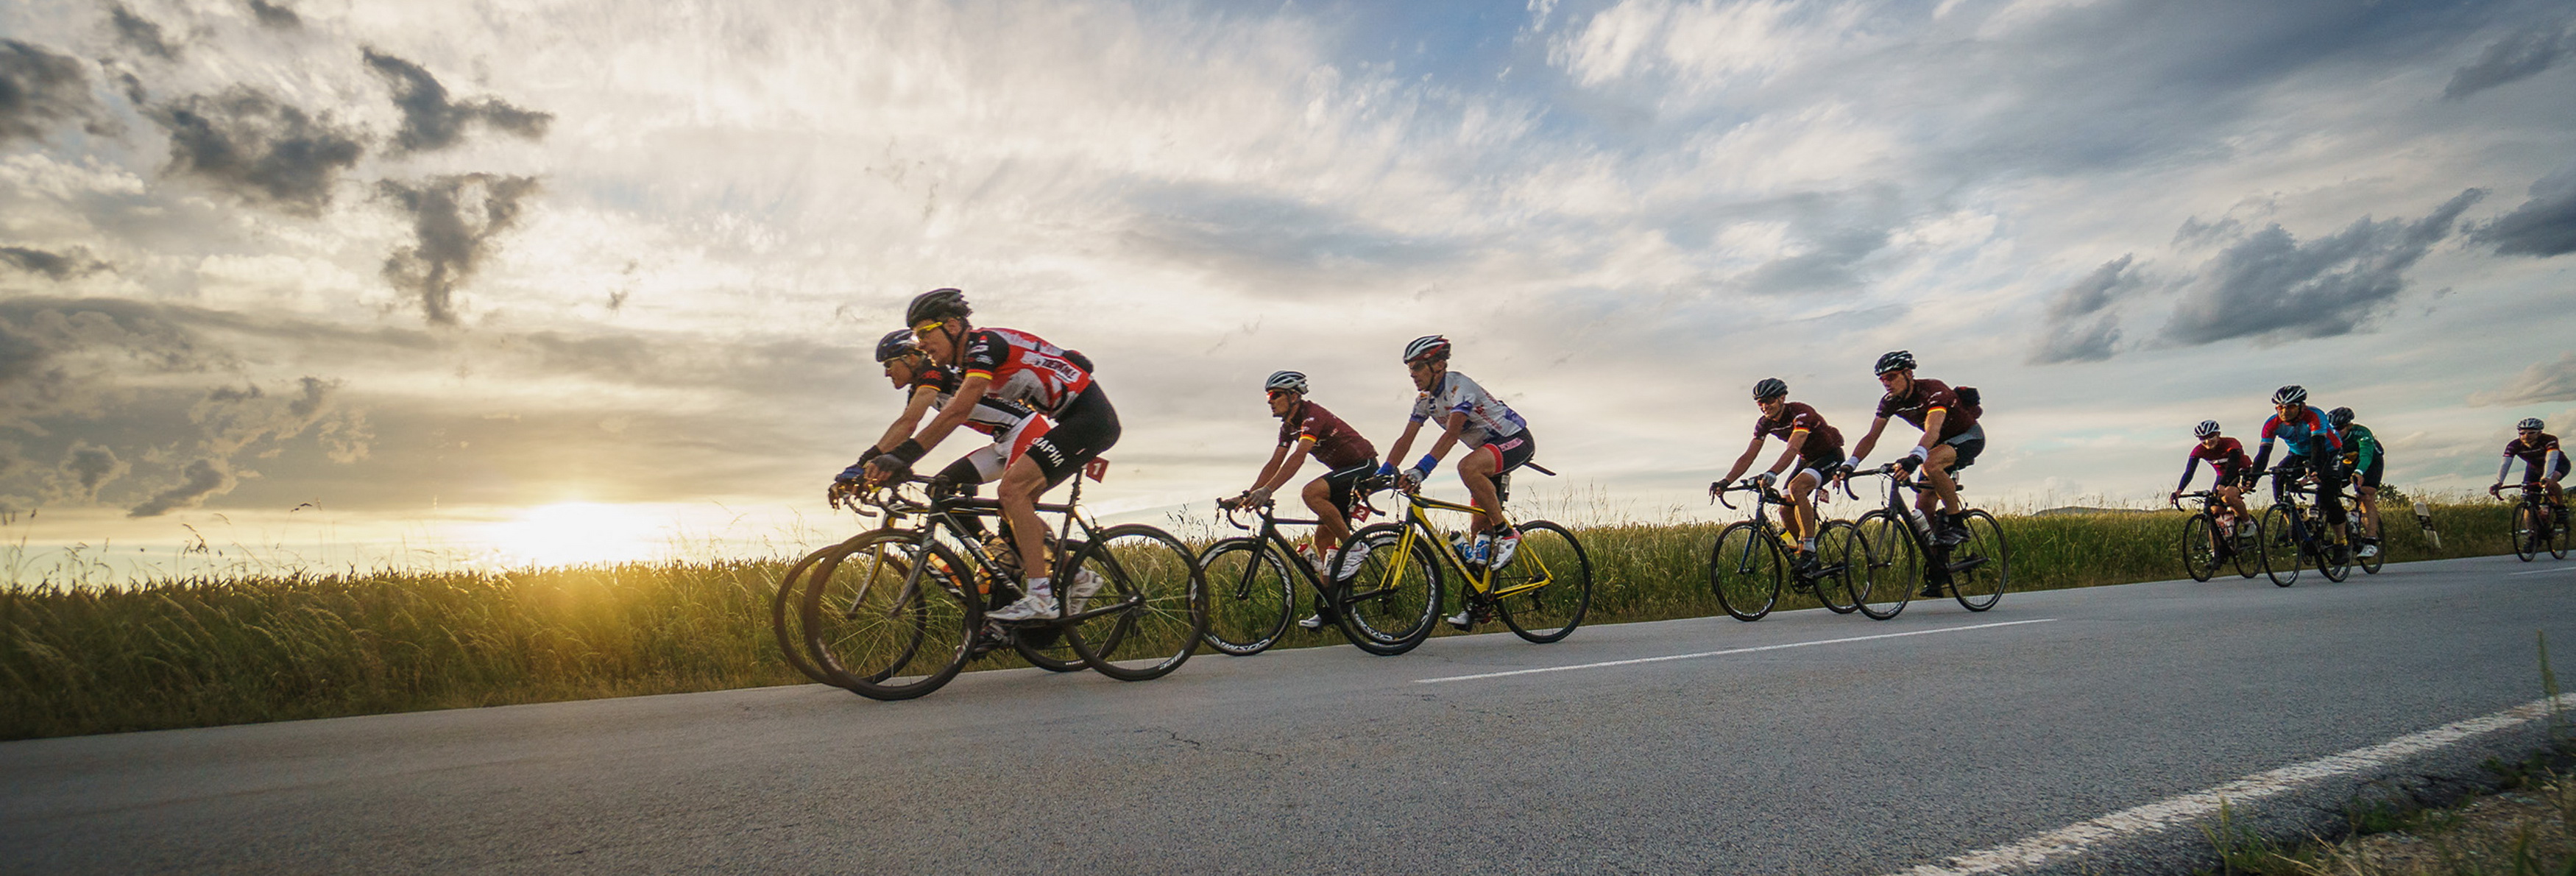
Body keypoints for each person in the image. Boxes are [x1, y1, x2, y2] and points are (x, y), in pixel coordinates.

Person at [868, 289, 1120, 621]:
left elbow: (957, 412)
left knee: (1012, 492)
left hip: (1089, 421)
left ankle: (1042, 597)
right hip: (1064, 422)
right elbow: (1053, 355)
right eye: (917, 337)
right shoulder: (966, 362)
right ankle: (1067, 579)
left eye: (925, 333)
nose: (921, 344)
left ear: (953, 327)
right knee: (1008, 502)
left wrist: (903, 456)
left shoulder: (984, 347)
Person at [1376, 335, 1534, 630]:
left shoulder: (1461, 388)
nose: (1413, 374)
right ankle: (1480, 605)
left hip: (1514, 440)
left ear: (1438, 365)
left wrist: (1421, 470)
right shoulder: (1425, 400)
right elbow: (1406, 438)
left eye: (1418, 367)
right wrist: (1384, 471)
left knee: (1467, 467)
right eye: (1410, 369)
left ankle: (1507, 533)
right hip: (1487, 454)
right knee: (1479, 531)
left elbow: (1451, 435)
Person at [829, 330, 1050, 534]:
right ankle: (991, 547)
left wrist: (862, 463)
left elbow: (908, 423)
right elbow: (902, 434)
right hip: (1005, 440)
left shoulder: (934, 370)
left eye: (889, 364)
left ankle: (1060, 561)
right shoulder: (921, 387)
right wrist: (866, 472)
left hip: (1027, 431)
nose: (887, 373)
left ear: (911, 358)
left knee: (1012, 510)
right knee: (941, 489)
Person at [1220, 370, 1381, 629]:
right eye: (1268, 396)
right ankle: (1334, 608)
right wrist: (1248, 495)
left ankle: (1356, 548)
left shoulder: (1312, 416)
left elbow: (1299, 456)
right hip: (1342, 474)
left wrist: (1268, 491)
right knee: (1323, 541)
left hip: (1363, 466)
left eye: (1275, 395)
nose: (1270, 401)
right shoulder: (1288, 427)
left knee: (1311, 492)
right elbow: (1275, 463)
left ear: (1294, 396)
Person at [1848, 350, 1984, 559]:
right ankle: (1940, 566)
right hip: (1937, 444)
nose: (1886, 383)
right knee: (1923, 507)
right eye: (1882, 379)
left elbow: (1933, 430)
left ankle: (1957, 525)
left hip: (1968, 436)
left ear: (1909, 374)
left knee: (1930, 464)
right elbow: (1871, 437)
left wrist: (1915, 457)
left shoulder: (1933, 390)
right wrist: (1850, 464)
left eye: (1891, 376)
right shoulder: (1890, 401)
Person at [1712, 378, 1846, 573]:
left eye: (1769, 401)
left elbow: (1792, 448)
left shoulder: (1800, 412)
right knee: (1784, 508)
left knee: (1797, 487)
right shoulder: (1765, 423)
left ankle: (1809, 549)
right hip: (1806, 459)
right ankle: (1802, 554)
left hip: (1830, 455)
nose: (1764, 406)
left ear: (1782, 398)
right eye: (1760, 402)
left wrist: (1773, 473)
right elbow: (1749, 456)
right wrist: (1725, 481)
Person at [2247, 385, 2350, 543]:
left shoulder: (2314, 415)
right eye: (2280, 407)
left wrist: (2314, 470)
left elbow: (2318, 446)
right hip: (2298, 454)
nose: (2284, 411)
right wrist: (2252, 479)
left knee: (2327, 495)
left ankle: (2341, 539)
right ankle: (2297, 525)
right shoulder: (2272, 423)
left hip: (2329, 452)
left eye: (2290, 407)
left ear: (2302, 406)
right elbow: (2263, 454)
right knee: (2279, 478)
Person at [2170, 419, 2255, 545]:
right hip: (2222, 476)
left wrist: (2223, 484)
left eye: (2211, 436)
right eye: (2202, 438)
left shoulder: (2231, 443)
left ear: (2218, 434)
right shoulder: (2198, 450)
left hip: (2241, 472)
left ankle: (2248, 523)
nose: (2207, 441)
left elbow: (2232, 466)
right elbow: (2189, 472)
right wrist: (2179, 490)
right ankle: (2218, 549)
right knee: (2214, 510)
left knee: (2228, 496)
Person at [2328, 407, 2385, 559]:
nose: (2336, 432)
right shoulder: (2329, 436)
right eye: (2333, 429)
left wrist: (2359, 472)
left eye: (2340, 428)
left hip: (2370, 461)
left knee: (2365, 495)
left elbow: (2366, 455)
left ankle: (2371, 541)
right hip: (2347, 462)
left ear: (2349, 425)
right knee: (2329, 490)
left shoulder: (2361, 432)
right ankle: (2349, 518)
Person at [2490, 417, 2567, 526]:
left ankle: (2560, 508)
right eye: (2522, 433)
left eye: (2531, 433)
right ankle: (2531, 533)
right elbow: (2505, 464)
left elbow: (2551, 459)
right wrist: (2499, 482)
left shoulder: (2549, 440)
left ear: (2539, 433)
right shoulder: (2514, 445)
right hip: (2534, 469)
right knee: (2529, 500)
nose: (2526, 436)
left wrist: (2547, 477)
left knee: (2551, 481)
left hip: (2558, 464)